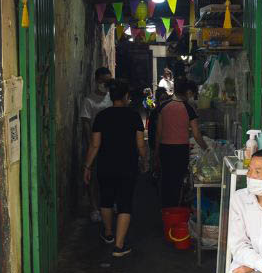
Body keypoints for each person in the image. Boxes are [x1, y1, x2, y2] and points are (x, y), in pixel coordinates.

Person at [83, 80, 147, 257]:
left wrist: (87, 166)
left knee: (106, 199)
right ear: (126, 97)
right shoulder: (134, 116)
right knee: (125, 202)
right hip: (128, 165)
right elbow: (140, 145)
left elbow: (95, 145)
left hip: (105, 165)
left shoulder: (101, 117)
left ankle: (109, 233)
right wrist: (144, 160)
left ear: (111, 97)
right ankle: (119, 246)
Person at [155, 78, 208, 207]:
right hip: (180, 151)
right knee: (178, 181)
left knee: (166, 179)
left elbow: (159, 132)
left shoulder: (163, 106)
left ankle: (165, 210)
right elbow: (196, 134)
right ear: (188, 92)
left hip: (165, 149)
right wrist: (206, 148)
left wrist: (156, 152)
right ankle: (175, 209)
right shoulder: (189, 109)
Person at [81, 67, 112, 223]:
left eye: (107, 81)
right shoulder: (89, 101)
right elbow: (86, 125)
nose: (105, 84)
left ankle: (108, 204)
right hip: (94, 144)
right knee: (92, 178)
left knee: (109, 177)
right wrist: (90, 145)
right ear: (97, 81)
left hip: (111, 145)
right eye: (103, 81)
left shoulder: (112, 98)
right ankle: (94, 208)